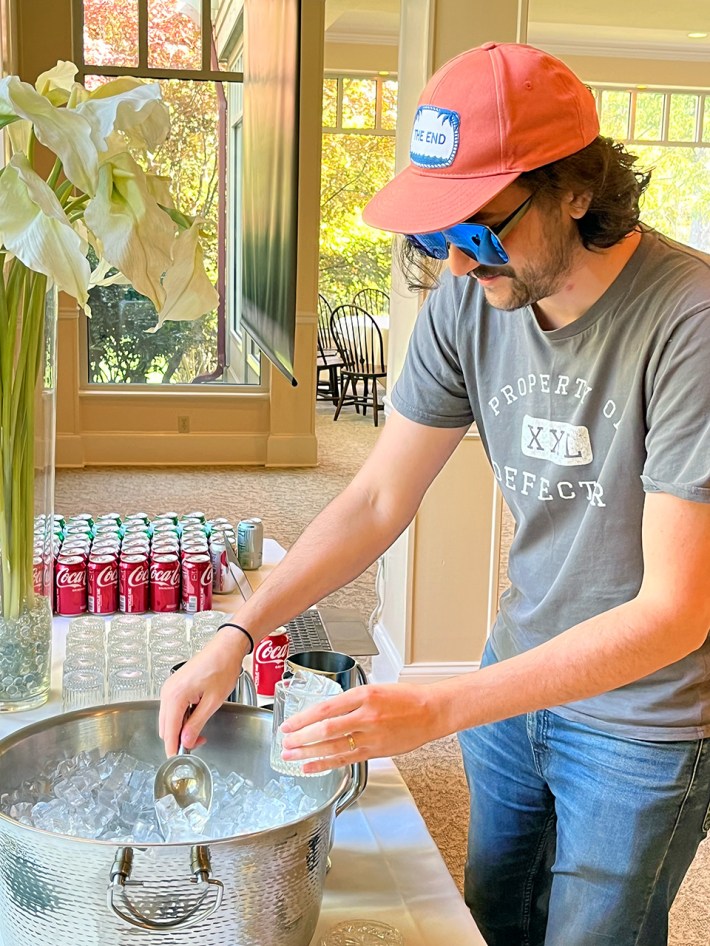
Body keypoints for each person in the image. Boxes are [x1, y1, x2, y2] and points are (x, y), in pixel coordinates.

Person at [160, 42, 710, 945]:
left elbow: (674, 613)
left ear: (577, 189)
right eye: (435, 236)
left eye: (479, 229)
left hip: (642, 727)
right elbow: (377, 497)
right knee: (488, 919)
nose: (456, 265)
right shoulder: (471, 299)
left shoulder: (688, 322)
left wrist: (441, 705)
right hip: (515, 679)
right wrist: (239, 631)